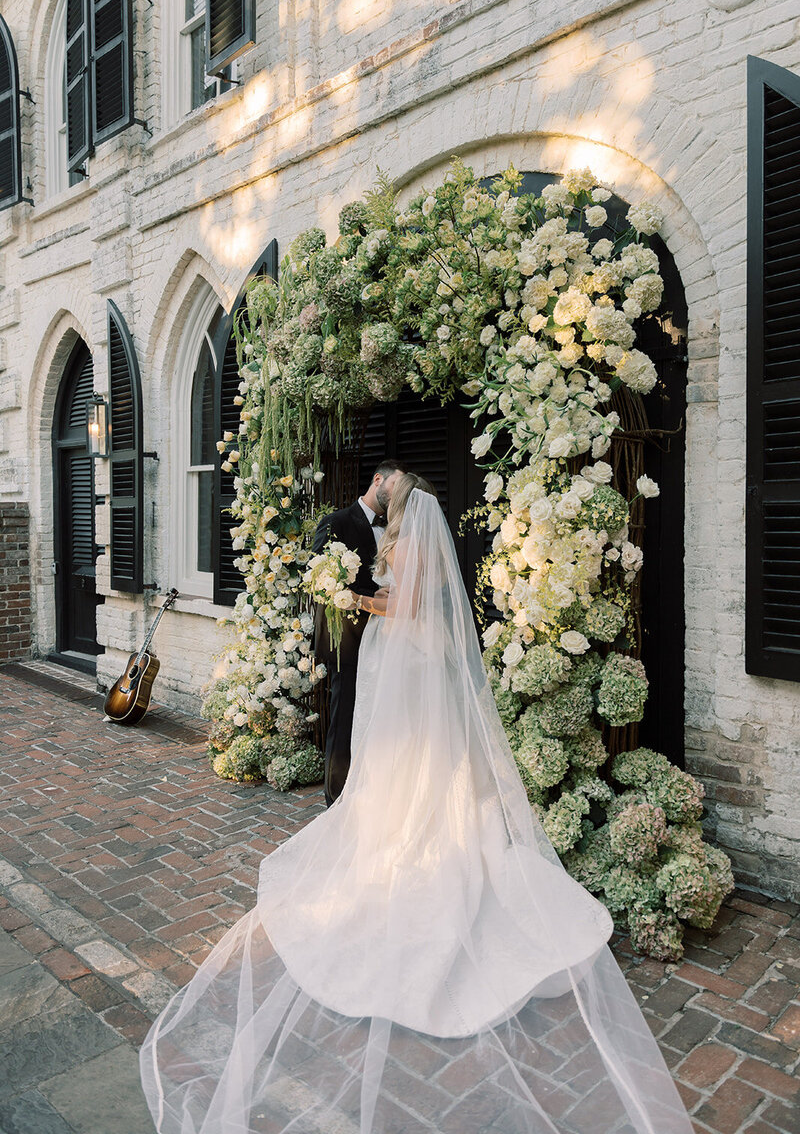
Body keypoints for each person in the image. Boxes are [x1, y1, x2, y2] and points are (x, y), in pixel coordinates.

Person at [140, 478, 694, 1134]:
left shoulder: (409, 542)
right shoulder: (404, 535)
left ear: (405, 502)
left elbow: (399, 607)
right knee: (402, 754)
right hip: (403, 656)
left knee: (405, 758)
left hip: (403, 647)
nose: (391, 495)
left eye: (396, 490)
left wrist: (350, 595)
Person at [312, 459, 405, 806]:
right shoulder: (336, 522)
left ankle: (366, 790)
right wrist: (366, 595)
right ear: (378, 479)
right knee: (345, 713)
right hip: (348, 638)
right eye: (395, 487)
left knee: (372, 714)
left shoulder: (394, 528)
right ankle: (336, 797)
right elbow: (319, 580)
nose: (397, 498)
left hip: (384, 639)